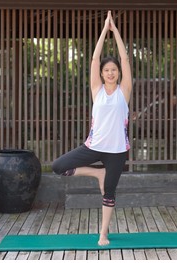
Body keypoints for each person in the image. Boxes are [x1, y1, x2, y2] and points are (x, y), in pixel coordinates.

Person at [52, 11, 132, 246]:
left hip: (117, 151)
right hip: (94, 147)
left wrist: (115, 31)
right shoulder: (96, 90)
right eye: (107, 70)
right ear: (101, 74)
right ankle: (98, 172)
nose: (110, 72)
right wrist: (103, 31)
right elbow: (94, 60)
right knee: (59, 167)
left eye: (114, 70)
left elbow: (125, 60)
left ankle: (103, 233)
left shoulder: (123, 92)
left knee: (109, 193)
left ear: (118, 74)